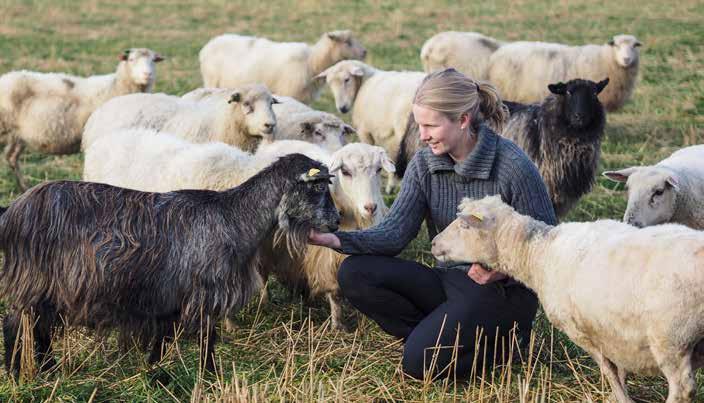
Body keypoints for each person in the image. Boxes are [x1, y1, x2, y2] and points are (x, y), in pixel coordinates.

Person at [309, 68, 557, 380]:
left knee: (417, 365)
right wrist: (333, 239)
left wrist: (499, 270)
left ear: (463, 120)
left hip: (500, 294)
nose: (421, 135)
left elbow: (546, 242)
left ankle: (503, 347)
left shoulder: (513, 166)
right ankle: (439, 337)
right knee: (355, 273)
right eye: (418, 124)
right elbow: (395, 232)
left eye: (430, 125)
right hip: (449, 281)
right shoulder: (424, 164)